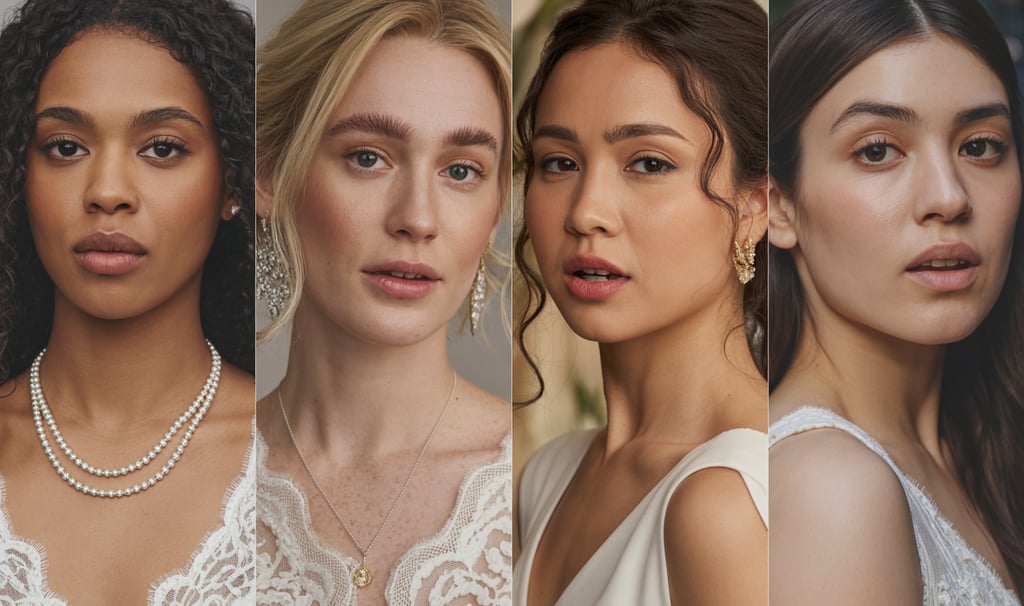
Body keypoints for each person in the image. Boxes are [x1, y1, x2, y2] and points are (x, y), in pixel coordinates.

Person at [253, 0, 512, 604]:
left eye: (463, 171)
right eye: (368, 158)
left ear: (497, 207)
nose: (417, 219)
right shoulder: (194, 481)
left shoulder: (544, 486)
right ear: (270, 175)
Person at [512, 0, 768, 604]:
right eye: (559, 163)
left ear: (755, 209)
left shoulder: (727, 504)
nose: (585, 212)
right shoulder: (549, 476)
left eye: (649, 163)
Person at [768, 0, 1024, 603]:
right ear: (779, 204)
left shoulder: (975, 447)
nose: (948, 197)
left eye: (981, 146)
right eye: (878, 150)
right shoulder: (827, 486)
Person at [0, 0, 256, 603]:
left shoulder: (298, 460)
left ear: (233, 183)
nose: (107, 192)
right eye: (65, 147)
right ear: (18, 174)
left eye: (162, 148)